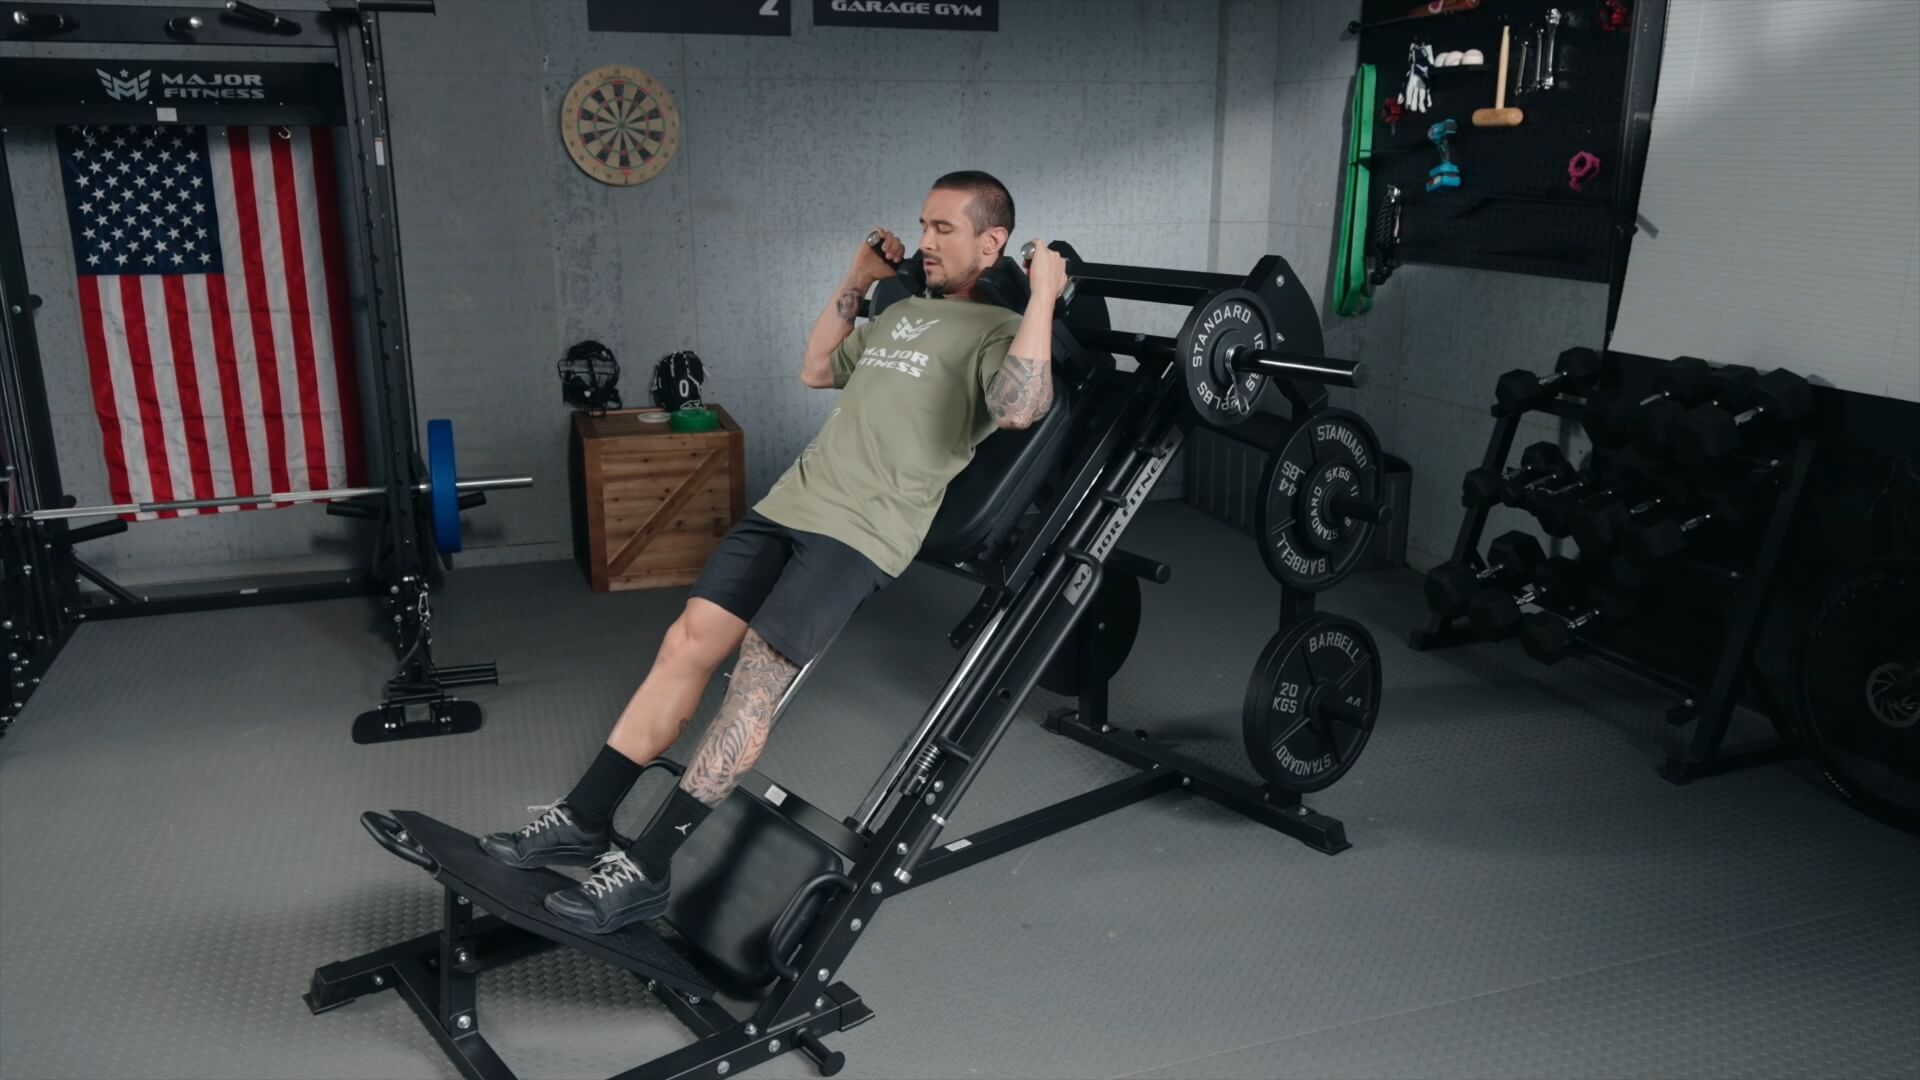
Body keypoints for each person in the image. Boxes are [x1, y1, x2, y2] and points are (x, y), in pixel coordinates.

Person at [479, 171, 1072, 935]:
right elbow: (817, 369)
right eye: (922, 224)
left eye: (944, 229)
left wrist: (1045, 295)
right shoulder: (904, 312)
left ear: (991, 242)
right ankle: (584, 818)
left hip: (862, 531)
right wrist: (857, 280)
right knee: (684, 646)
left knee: (753, 683)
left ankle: (648, 867)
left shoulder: (999, 332)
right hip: (790, 504)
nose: (924, 241)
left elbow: (1021, 409)